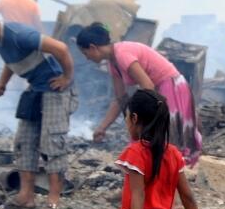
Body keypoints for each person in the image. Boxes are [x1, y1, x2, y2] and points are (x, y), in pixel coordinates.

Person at [0, 13, 75, 209]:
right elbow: (10, 60)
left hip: (54, 89)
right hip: (35, 89)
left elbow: (61, 48)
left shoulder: (19, 34)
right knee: (24, 142)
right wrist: (1, 84)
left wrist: (67, 77)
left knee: (52, 144)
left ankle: (53, 203)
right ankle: (26, 197)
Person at [76, 23, 203, 167]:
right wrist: (102, 127)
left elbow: (148, 86)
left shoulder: (122, 53)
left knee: (165, 138)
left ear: (93, 47)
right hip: (158, 90)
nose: (87, 58)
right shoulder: (113, 63)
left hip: (170, 86)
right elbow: (120, 99)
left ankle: (168, 174)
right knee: (149, 136)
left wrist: (141, 119)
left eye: (85, 53)